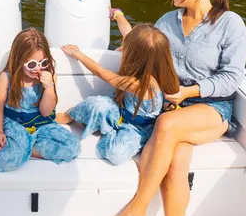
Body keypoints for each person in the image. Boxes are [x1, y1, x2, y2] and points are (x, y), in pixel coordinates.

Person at [102, 0, 246, 216]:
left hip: (210, 107)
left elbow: (232, 78)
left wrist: (189, 91)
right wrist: (125, 46)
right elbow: (148, 48)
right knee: (176, 163)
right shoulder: (168, 20)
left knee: (167, 123)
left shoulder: (230, 25)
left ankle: (137, 212)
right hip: (173, 107)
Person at [0, 28, 80, 171]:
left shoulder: (49, 76)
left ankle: (23, 150)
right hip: (16, 124)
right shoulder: (7, 78)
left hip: (42, 123)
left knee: (72, 147)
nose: (37, 69)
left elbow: (45, 112)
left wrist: (49, 87)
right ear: (19, 60)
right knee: (7, 160)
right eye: (31, 64)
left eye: (43, 63)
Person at [56, 24, 179, 166]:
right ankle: (68, 116)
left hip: (137, 129)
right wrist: (117, 14)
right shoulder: (163, 70)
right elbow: (128, 32)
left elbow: (100, 72)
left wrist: (79, 55)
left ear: (135, 56)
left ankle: (110, 131)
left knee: (114, 154)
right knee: (97, 104)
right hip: (120, 111)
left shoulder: (141, 86)